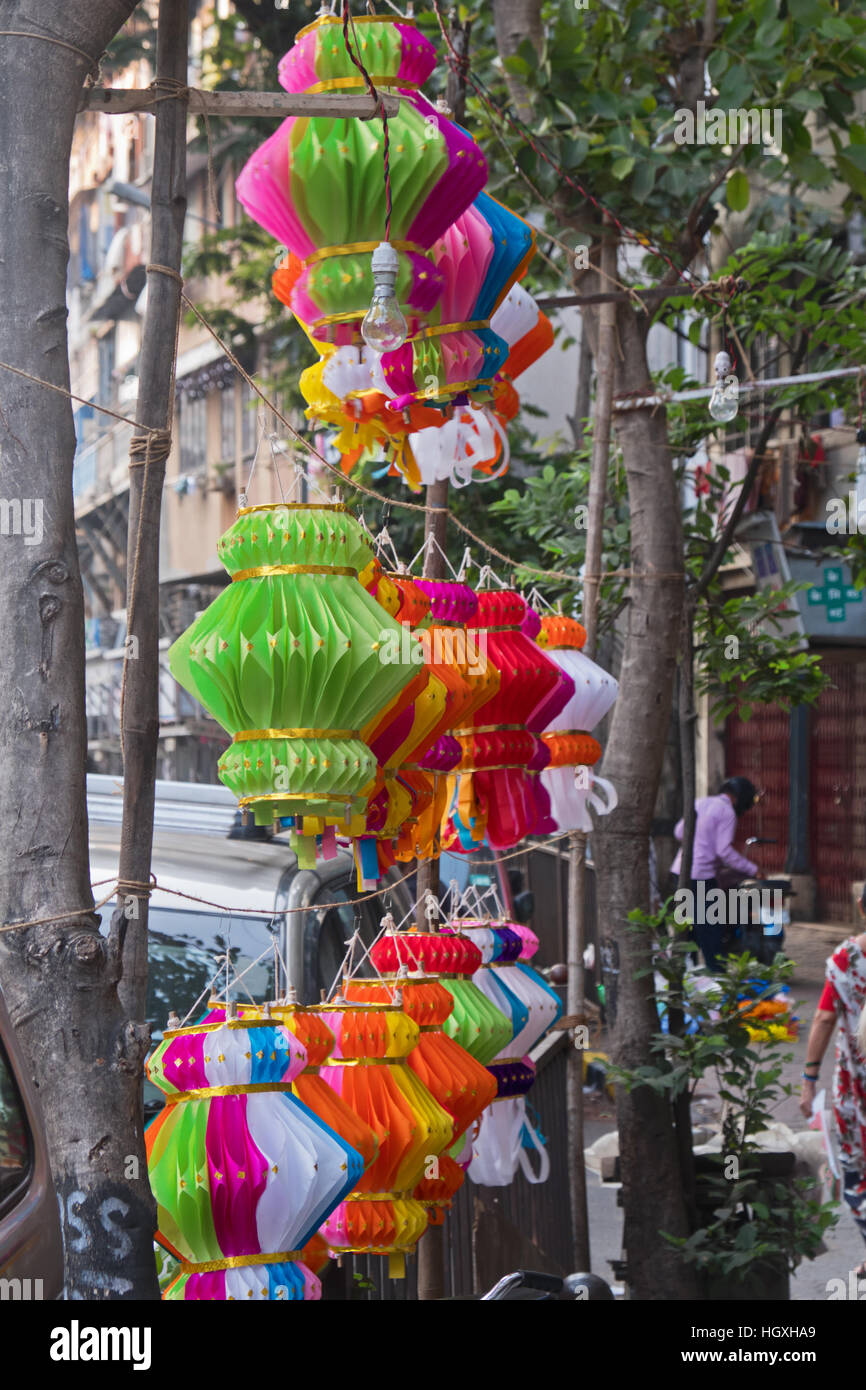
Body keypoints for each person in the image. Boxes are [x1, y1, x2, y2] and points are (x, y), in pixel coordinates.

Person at [800, 888, 866, 1271]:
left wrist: (809, 1079)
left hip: (855, 1084)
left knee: (853, 1165)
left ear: (860, 907)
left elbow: (824, 1018)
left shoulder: (847, 959)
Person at [670, 776, 761, 971]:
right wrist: (754, 870)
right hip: (701, 876)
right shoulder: (727, 812)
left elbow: (679, 832)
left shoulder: (700, 802)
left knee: (687, 927)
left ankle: (686, 972)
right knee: (710, 929)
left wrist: (699, 843)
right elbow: (724, 851)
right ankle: (717, 975)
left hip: (680, 872)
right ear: (739, 799)